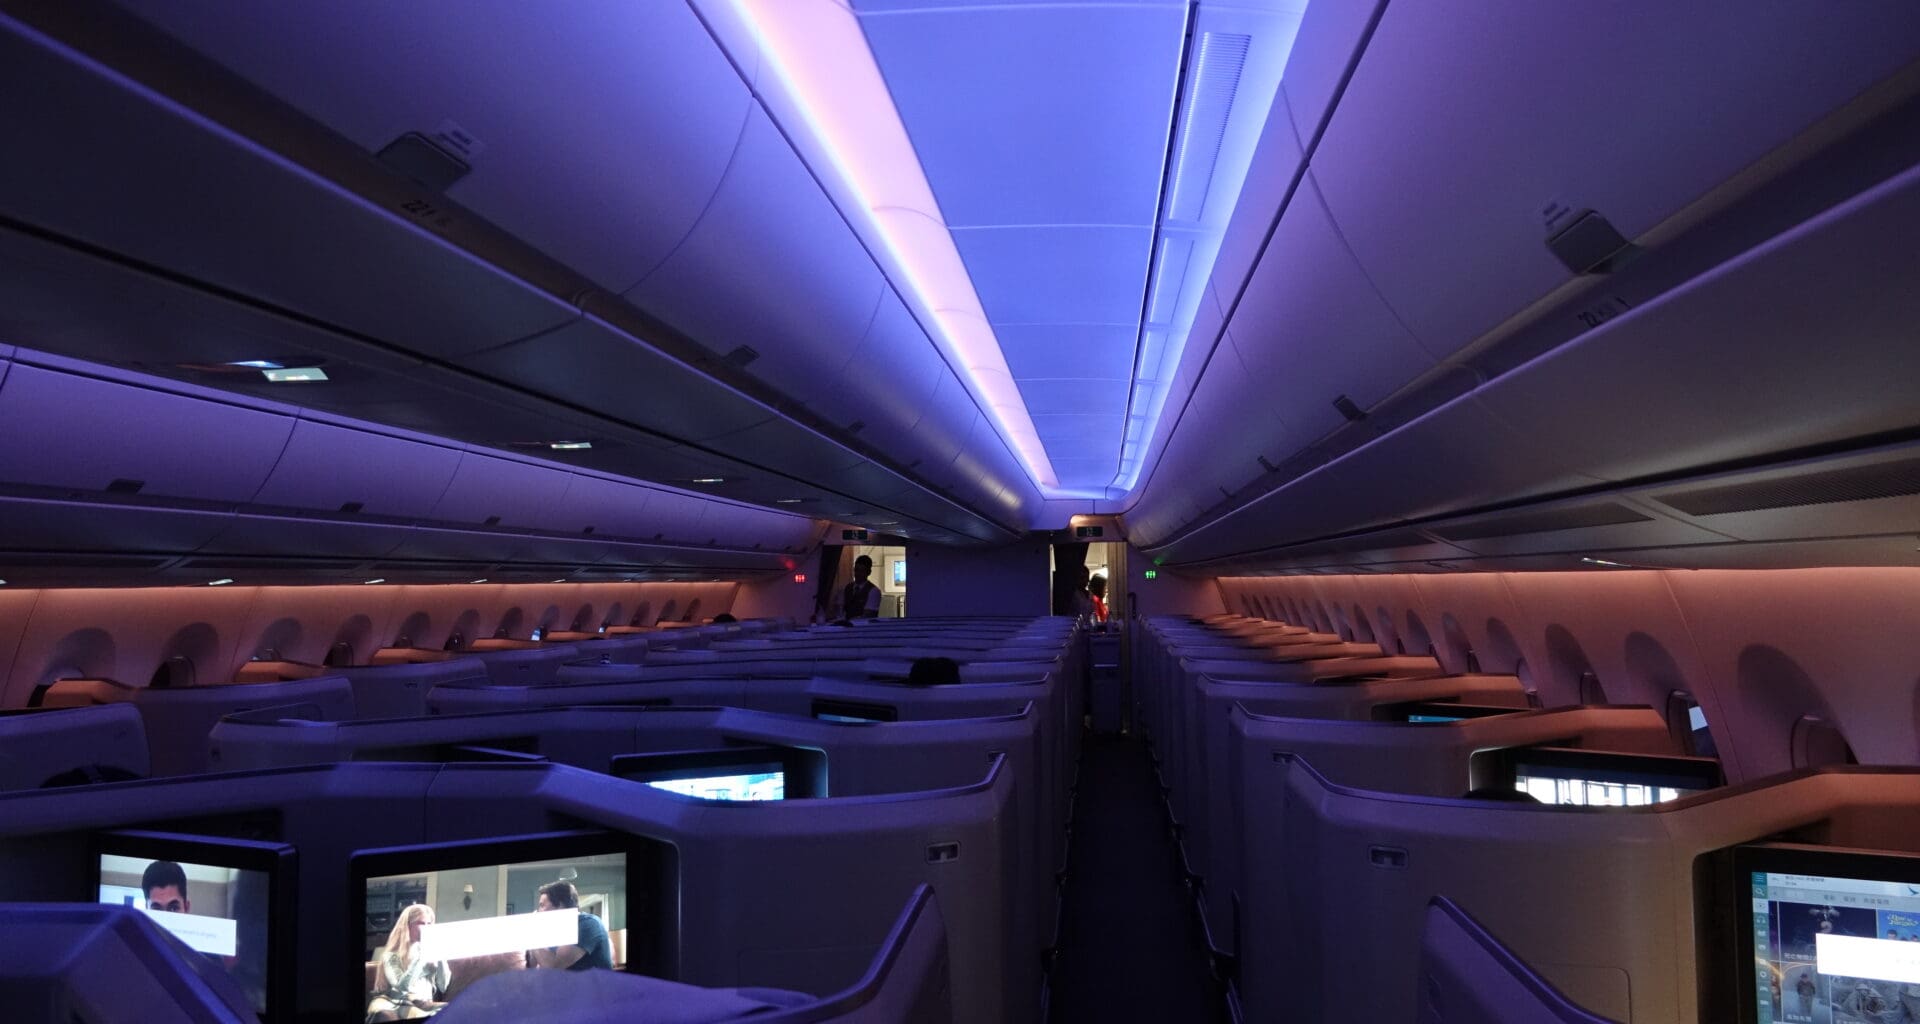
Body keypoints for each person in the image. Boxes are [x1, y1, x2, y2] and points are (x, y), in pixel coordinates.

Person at [365, 903, 449, 1021]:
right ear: (407, 926)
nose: (426, 927)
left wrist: (440, 955)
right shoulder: (391, 956)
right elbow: (402, 989)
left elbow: (443, 986)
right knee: (385, 1015)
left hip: (423, 1004)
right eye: (421, 923)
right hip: (395, 1003)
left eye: (429, 924)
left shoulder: (432, 952)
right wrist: (421, 957)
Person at [528, 881, 613, 971]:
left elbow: (555, 968)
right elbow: (532, 964)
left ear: (560, 905)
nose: (538, 911)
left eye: (542, 905)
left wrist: (534, 933)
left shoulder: (588, 924)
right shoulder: (554, 930)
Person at [841, 555, 882, 621]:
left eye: (862, 571)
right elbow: (842, 611)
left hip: (863, 628)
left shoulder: (874, 591)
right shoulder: (848, 588)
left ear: (868, 572)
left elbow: (868, 616)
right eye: (856, 570)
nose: (858, 574)